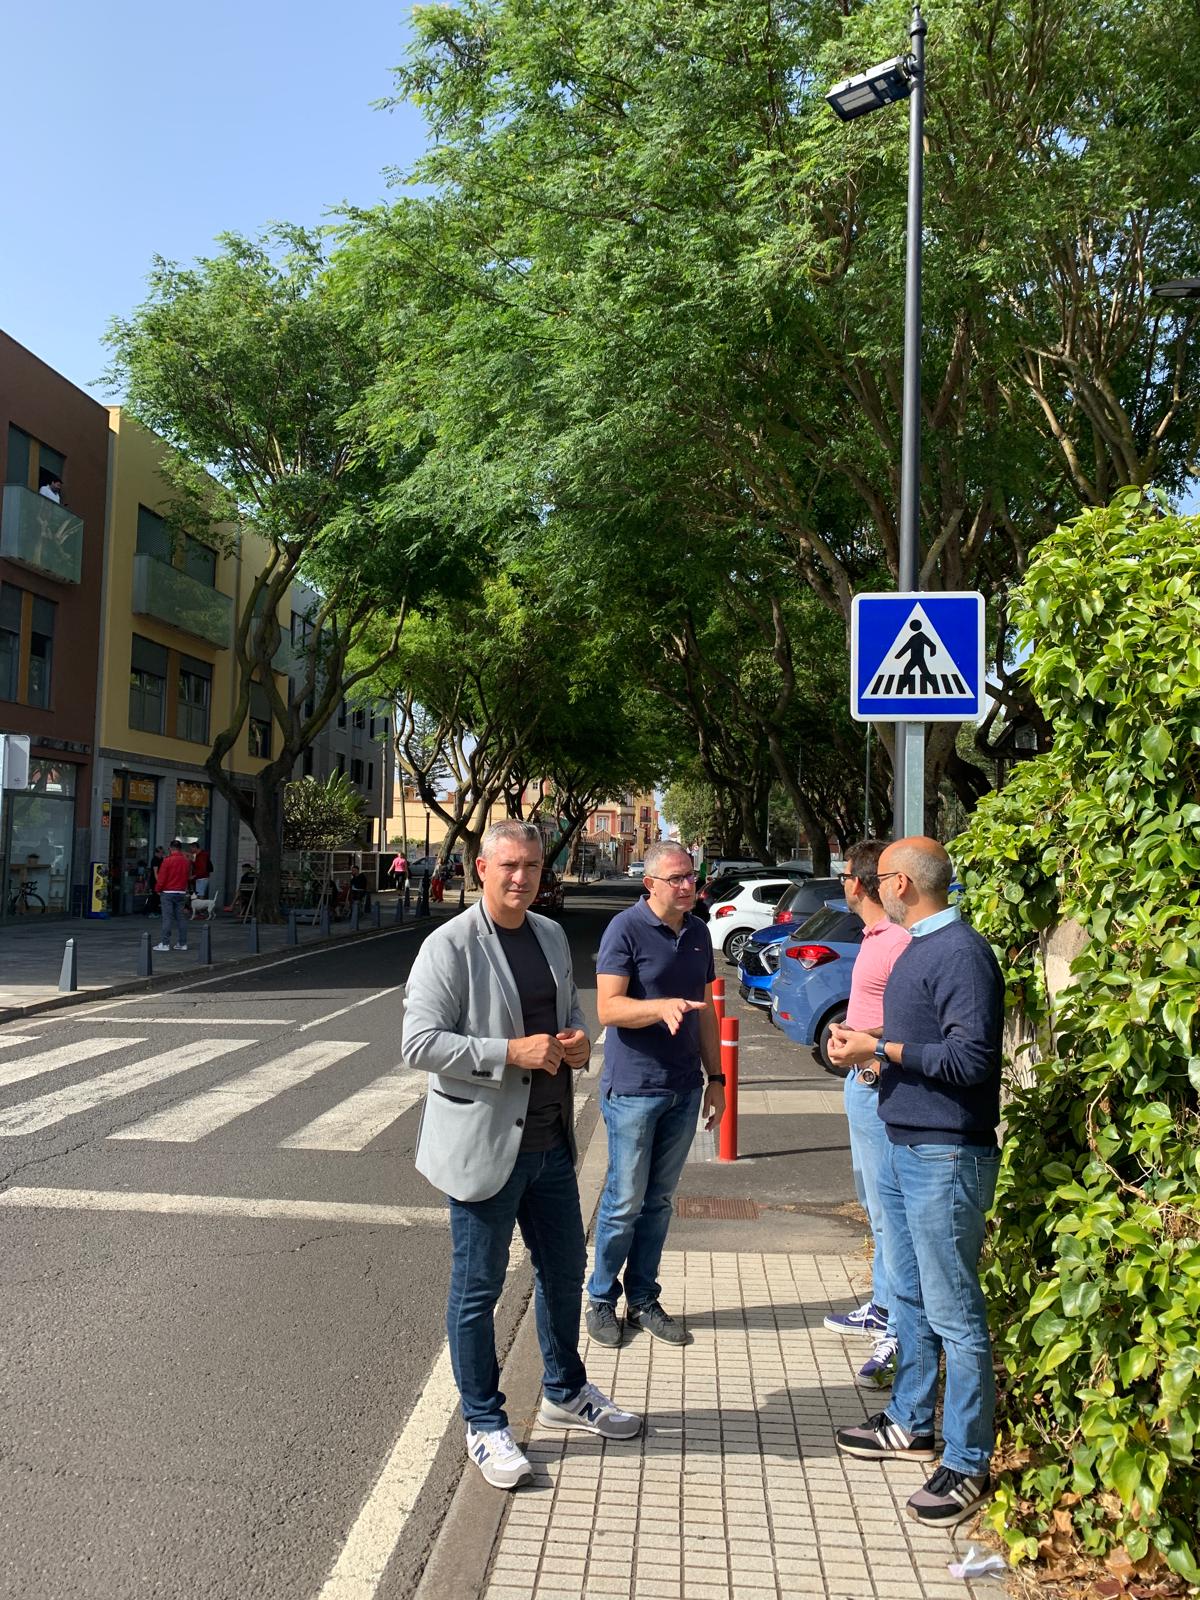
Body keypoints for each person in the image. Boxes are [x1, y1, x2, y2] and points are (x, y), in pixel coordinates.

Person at [402, 819, 641, 1490]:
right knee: (477, 1289)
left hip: (550, 1141)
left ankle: (565, 1390)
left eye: (532, 866)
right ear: (482, 869)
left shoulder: (550, 934)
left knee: (565, 1272)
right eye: (509, 865)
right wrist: (509, 1052)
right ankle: (484, 1422)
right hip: (484, 1145)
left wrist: (578, 1043)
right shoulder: (450, 945)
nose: (521, 877)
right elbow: (419, 1043)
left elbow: (572, 1015)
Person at [828, 837, 1004, 1530]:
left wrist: (880, 1047)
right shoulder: (917, 947)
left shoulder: (960, 953)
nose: (871, 887)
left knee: (955, 1312)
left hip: (946, 1155)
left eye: (877, 877)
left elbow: (971, 1060)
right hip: (908, 1143)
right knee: (911, 1295)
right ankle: (909, 1419)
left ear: (899, 883)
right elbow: (923, 1045)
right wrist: (870, 1054)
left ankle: (966, 1460)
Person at [585, 841, 724, 1348]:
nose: (688, 886)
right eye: (676, 879)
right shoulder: (624, 929)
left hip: (684, 1088)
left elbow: (705, 1012)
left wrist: (717, 1080)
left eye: (691, 876)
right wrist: (658, 1007)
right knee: (624, 1200)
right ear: (650, 885)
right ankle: (601, 1297)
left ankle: (642, 1298)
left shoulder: (699, 932)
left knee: (659, 1201)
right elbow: (608, 1008)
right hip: (634, 1090)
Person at [821, 839, 911, 1390]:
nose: (843, 883)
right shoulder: (874, 935)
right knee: (873, 1204)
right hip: (862, 1081)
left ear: (857, 881)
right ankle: (882, 1306)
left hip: (880, 1084)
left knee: (888, 1211)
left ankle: (898, 1330)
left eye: (844, 875)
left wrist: (866, 1043)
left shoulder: (898, 940)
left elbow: (913, 1019)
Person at [153, 840, 191, 952]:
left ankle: (165, 943)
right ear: (180, 849)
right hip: (181, 892)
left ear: (170, 848)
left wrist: (157, 889)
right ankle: (182, 943)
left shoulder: (167, 861)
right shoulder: (186, 861)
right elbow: (187, 876)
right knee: (181, 918)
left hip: (168, 892)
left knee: (167, 918)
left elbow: (162, 878)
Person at [145, 846, 166, 917]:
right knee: (154, 896)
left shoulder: (161, 859)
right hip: (155, 881)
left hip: (160, 880)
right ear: (157, 853)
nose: (162, 854)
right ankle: (152, 912)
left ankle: (156, 911)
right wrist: (159, 882)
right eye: (161, 852)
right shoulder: (155, 860)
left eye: (163, 852)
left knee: (158, 897)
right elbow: (155, 872)